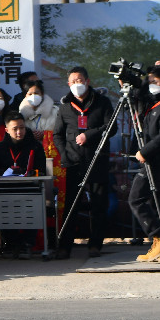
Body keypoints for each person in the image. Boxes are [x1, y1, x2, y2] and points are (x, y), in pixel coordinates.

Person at [52, 66, 117, 259]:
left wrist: (89, 135)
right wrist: (64, 156)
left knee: (99, 205)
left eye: (79, 80)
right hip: (73, 162)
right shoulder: (65, 106)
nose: (76, 85)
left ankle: (95, 245)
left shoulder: (102, 102)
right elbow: (58, 135)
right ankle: (65, 247)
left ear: (87, 81)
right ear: (68, 84)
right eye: (72, 82)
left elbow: (111, 127)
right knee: (71, 205)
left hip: (97, 160)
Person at [0, 113, 48, 258]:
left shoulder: (35, 146)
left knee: (33, 202)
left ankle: (28, 243)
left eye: (22, 128)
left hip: (29, 188)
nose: (19, 132)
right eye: (15, 129)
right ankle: (12, 243)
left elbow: (42, 170)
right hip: (6, 190)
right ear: (7, 130)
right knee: (3, 205)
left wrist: (30, 173)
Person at [130, 66, 160, 262]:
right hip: (151, 161)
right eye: (150, 81)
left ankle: (157, 237)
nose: (152, 85)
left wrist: (144, 151)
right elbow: (136, 99)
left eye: (156, 81)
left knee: (136, 198)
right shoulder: (152, 104)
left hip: (154, 160)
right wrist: (133, 82)